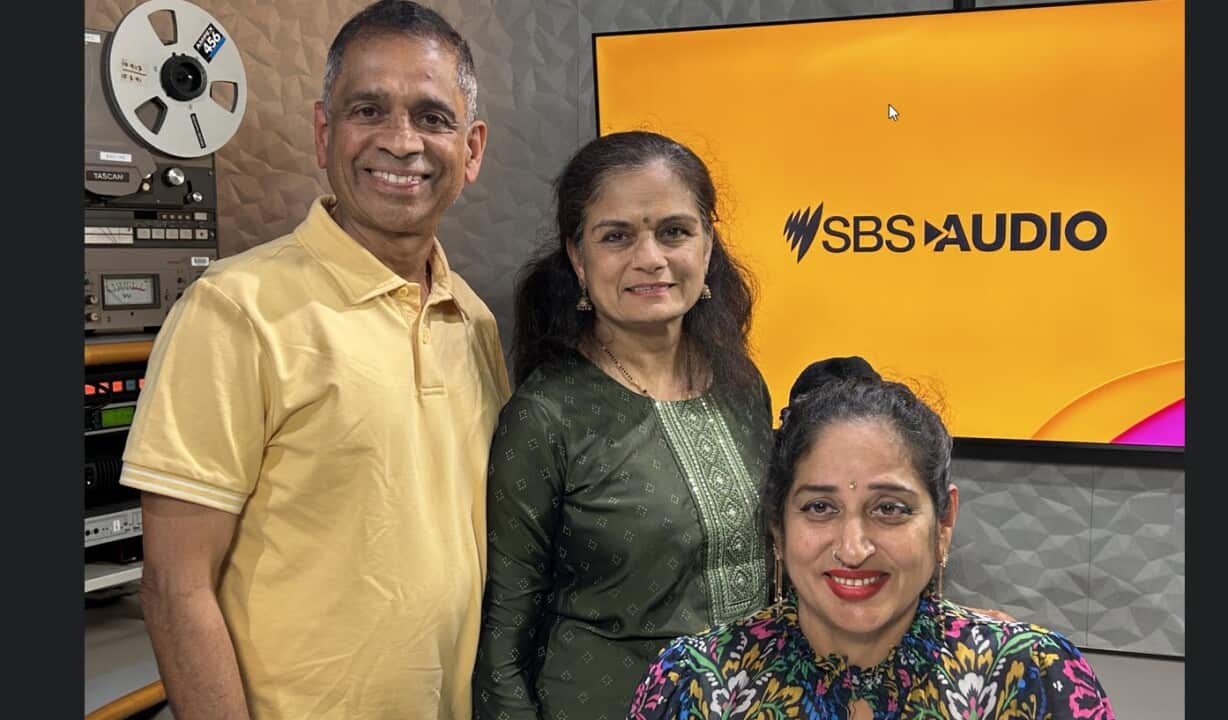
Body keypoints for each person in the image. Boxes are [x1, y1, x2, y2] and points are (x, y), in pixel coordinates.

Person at [118, 2, 509, 718]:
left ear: (472, 148)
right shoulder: (234, 311)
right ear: (325, 133)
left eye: (431, 117)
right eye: (369, 110)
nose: (401, 142)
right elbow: (175, 586)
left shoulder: (473, 321)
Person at [471, 130, 776, 719]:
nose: (651, 258)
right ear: (578, 259)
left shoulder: (743, 386)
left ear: (707, 246)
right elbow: (503, 640)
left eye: (674, 231)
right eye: (617, 237)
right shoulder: (545, 416)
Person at [630, 357, 1116, 719]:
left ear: (944, 522)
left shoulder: (1030, 676)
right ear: (777, 526)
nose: (853, 548)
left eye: (889, 509)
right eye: (820, 508)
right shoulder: (696, 682)